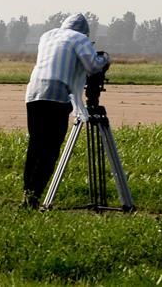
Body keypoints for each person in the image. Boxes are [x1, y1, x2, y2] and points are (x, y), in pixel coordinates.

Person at [23, 13, 110, 208]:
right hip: (58, 95)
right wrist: (105, 58)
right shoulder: (80, 38)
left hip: (34, 94)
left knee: (35, 146)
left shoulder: (47, 36)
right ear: (85, 33)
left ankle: (28, 193)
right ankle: (36, 196)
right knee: (50, 149)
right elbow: (92, 66)